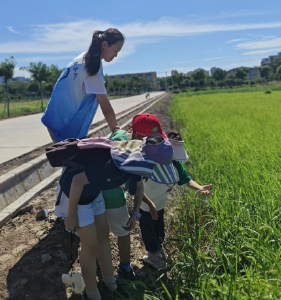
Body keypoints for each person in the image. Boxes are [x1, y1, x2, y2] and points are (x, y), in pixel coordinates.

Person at [52, 134, 178, 300]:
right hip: (76, 195)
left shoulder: (137, 164)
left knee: (103, 235)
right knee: (90, 244)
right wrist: (72, 214)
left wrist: (135, 213)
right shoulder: (110, 165)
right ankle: (92, 292)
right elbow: (77, 181)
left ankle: (109, 281)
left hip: (95, 193)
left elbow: (139, 187)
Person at [103, 113, 213, 273]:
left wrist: (200, 188)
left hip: (160, 205)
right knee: (148, 231)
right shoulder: (139, 161)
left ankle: (157, 249)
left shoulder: (171, 161)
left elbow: (186, 179)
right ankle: (153, 255)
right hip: (145, 207)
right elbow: (135, 189)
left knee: (159, 229)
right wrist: (149, 204)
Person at [41, 28, 124, 143]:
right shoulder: (93, 69)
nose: (116, 55)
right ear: (105, 45)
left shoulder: (83, 57)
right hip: (64, 126)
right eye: (116, 50)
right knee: (67, 159)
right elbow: (106, 109)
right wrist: (117, 132)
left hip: (54, 117)